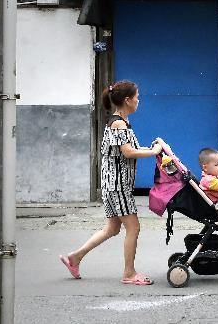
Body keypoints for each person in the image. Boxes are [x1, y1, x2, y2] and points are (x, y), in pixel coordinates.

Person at [59, 80, 164, 285]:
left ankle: (74, 258)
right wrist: (153, 152)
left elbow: (127, 149)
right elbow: (128, 152)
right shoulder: (118, 123)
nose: (138, 100)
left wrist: (150, 148)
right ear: (127, 100)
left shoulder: (120, 122)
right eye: (137, 97)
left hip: (112, 185)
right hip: (117, 186)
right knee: (133, 228)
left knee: (112, 228)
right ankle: (129, 273)